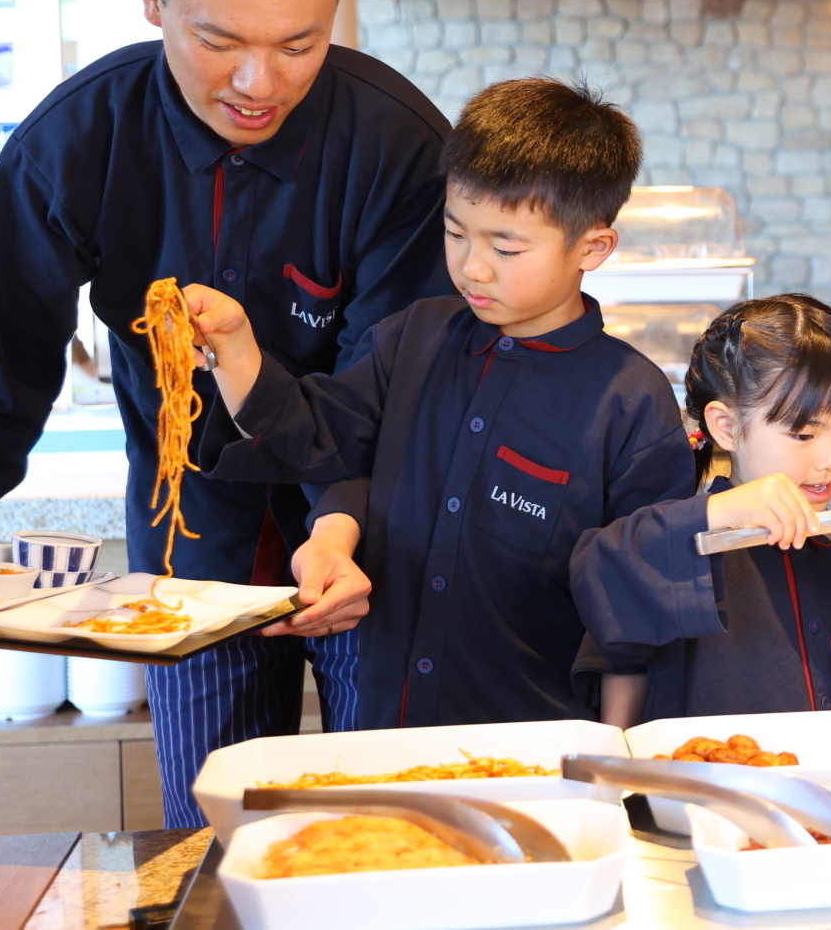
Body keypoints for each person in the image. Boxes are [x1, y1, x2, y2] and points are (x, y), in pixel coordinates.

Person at [0, 0, 453, 824]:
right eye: (219, 39)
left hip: (374, 529)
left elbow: (393, 377)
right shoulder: (78, 141)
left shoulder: (394, 145)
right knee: (212, 829)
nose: (257, 82)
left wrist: (337, 525)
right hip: (191, 525)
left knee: (391, 818)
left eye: (298, 44)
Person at [183, 77, 694, 729]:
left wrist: (616, 758)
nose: (473, 266)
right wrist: (236, 348)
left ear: (592, 247)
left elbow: (642, 605)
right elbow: (318, 435)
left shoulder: (630, 400)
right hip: (389, 729)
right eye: (457, 233)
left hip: (537, 744)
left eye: (505, 247)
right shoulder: (413, 338)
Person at [569, 295, 831, 726]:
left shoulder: (826, 558)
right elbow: (601, 572)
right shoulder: (682, 543)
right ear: (727, 427)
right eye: (802, 434)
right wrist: (718, 513)